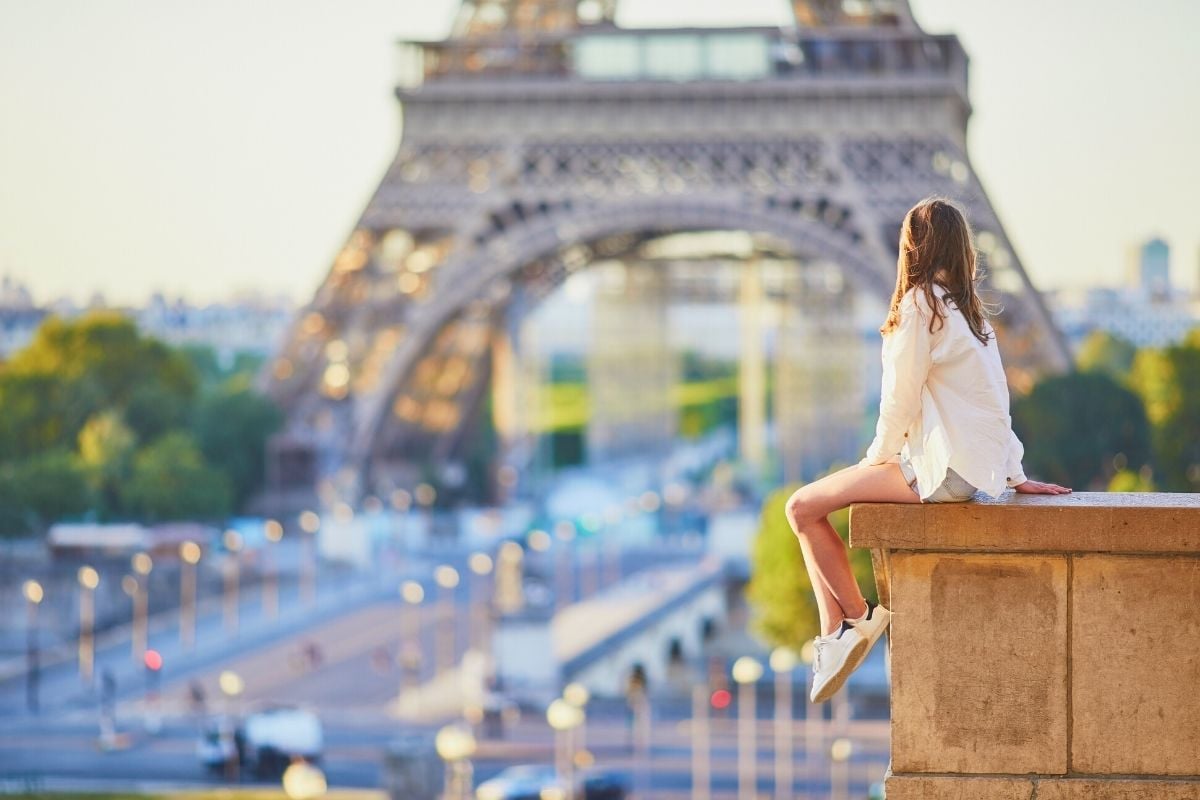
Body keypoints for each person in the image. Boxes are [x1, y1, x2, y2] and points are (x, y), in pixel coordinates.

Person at [783, 196, 1072, 703]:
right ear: (962, 247)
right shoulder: (967, 311)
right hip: (969, 472)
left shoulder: (920, 304)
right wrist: (1014, 473)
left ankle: (857, 618)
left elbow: (899, 399)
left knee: (802, 507)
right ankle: (835, 633)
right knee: (810, 508)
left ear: (909, 245)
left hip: (940, 472)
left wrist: (874, 460)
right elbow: (995, 400)